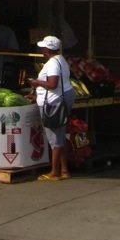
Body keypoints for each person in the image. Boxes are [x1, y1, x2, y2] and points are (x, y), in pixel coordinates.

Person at [29, 35, 76, 182]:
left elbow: (53, 84)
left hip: (54, 102)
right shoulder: (61, 59)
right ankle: (64, 170)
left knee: (54, 137)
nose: (42, 50)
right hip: (63, 97)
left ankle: (54, 173)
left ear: (48, 50)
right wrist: (38, 96)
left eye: (43, 48)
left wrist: (36, 83)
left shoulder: (52, 64)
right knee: (60, 134)